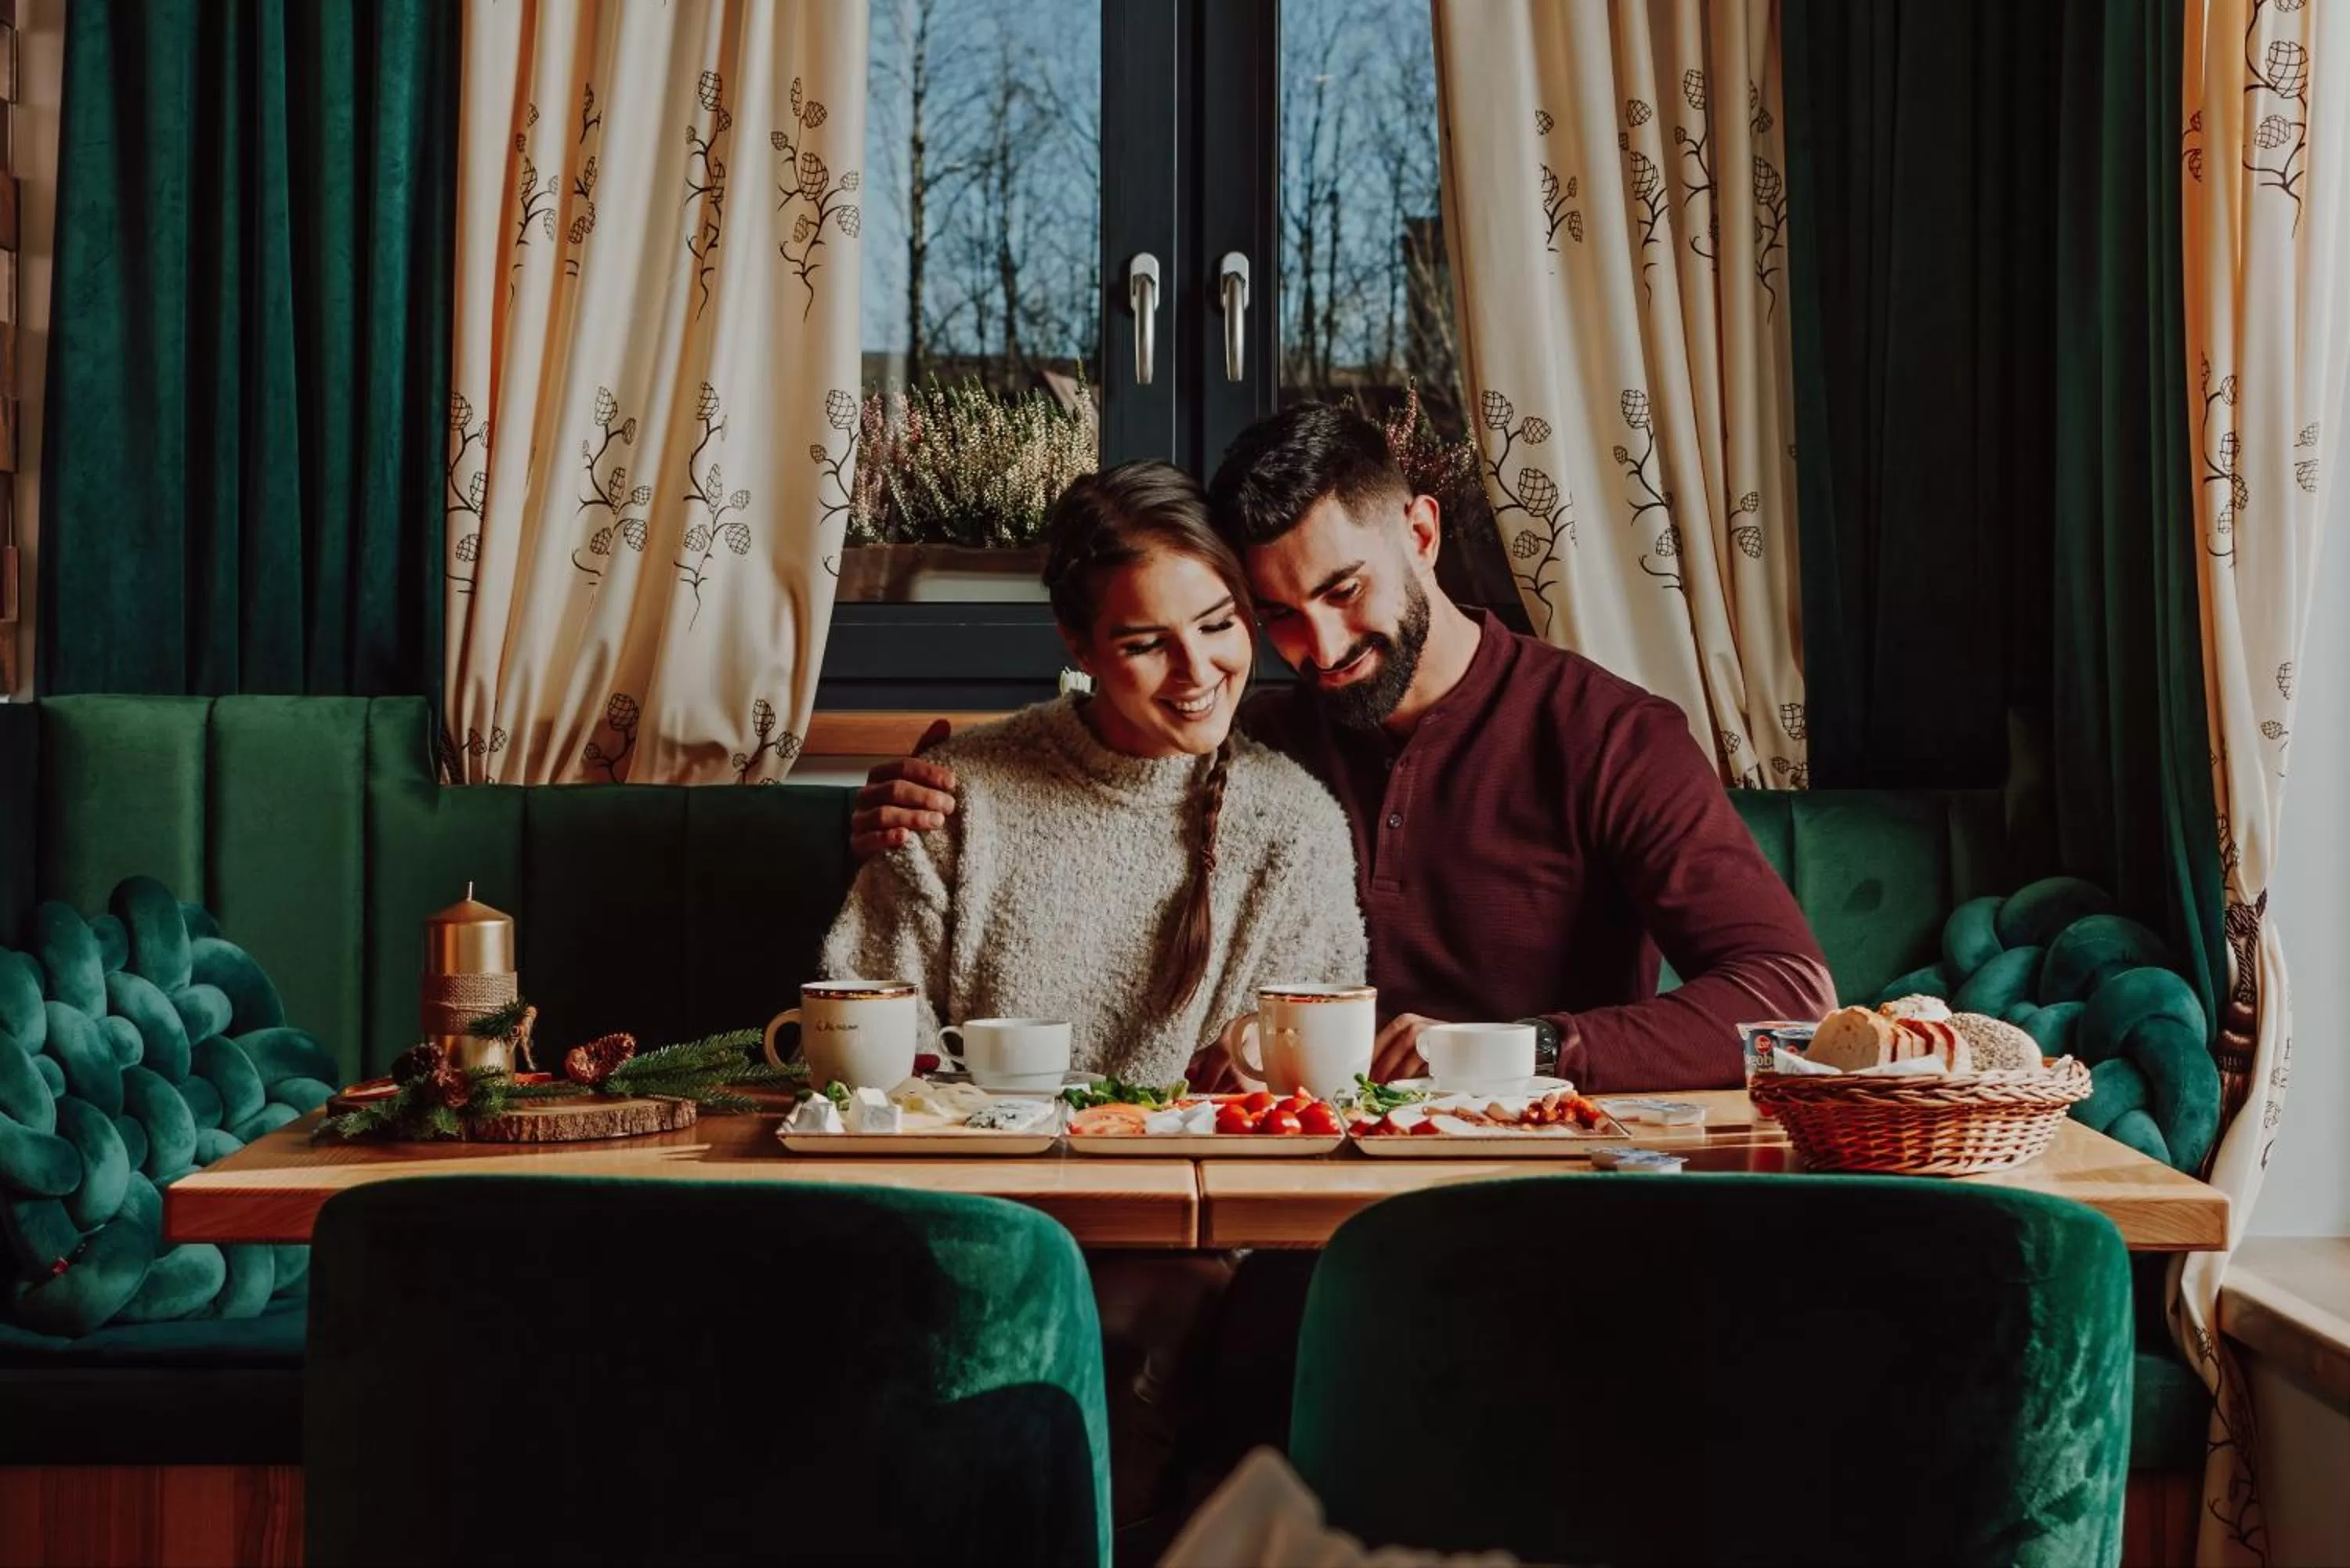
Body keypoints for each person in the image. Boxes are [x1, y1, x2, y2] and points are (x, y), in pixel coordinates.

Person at [851, 403, 1835, 1089]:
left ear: (1420, 532)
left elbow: (1789, 997)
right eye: (1275, 613)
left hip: (1533, 1175)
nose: (1318, 650)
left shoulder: (1608, 735)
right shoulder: (1262, 736)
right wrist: (923, 806)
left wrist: (1521, 1049)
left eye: (1343, 591)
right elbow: (1096, 749)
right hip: (1288, 1189)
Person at [819, 457, 1367, 1082]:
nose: (1196, 669)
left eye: (1218, 624)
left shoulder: (1298, 827)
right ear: (1080, 646)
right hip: (977, 1170)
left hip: (1210, 1176)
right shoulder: (951, 798)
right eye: (1145, 644)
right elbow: (871, 1044)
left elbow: (1320, 1085)